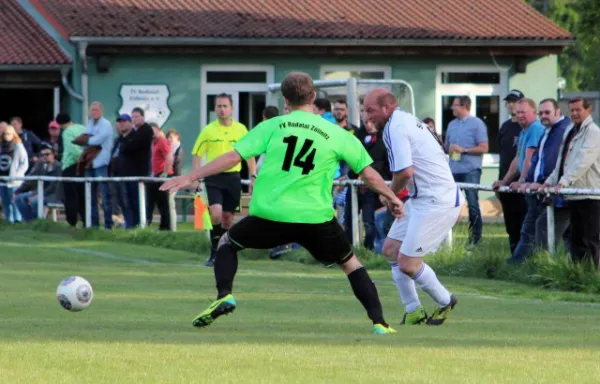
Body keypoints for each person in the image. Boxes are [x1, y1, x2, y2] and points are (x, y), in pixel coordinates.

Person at [161, 72, 403, 335]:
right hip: (315, 217)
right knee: (351, 265)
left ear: (285, 100)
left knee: (226, 243)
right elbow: (368, 174)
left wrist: (190, 175)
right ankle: (380, 322)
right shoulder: (338, 133)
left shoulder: (272, 126)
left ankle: (224, 294)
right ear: (313, 97)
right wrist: (392, 198)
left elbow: (233, 157)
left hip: (271, 214)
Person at [363, 88, 464, 326]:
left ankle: (445, 300)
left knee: (408, 264)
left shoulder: (395, 128)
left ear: (387, 108)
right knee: (390, 250)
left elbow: (405, 171)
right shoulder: (403, 120)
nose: (367, 117)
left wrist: (389, 196)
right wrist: (396, 198)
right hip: (422, 199)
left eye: (370, 110)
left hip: (438, 201)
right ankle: (414, 311)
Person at [191, 93, 257, 267]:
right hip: (213, 178)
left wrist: (253, 176)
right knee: (216, 214)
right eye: (218, 106)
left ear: (232, 108)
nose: (221, 109)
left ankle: (225, 249)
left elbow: (249, 155)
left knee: (228, 218)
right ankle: (214, 252)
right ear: (215, 109)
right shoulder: (208, 130)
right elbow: (197, 154)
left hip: (233, 178)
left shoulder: (241, 129)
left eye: (225, 106)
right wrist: (195, 176)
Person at [0, 125, 28, 223]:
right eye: (5, 134)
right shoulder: (1, 146)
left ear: (13, 135)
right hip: (2, 180)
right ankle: (9, 221)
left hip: (14, 181)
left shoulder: (19, 147)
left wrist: (17, 175)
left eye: (8, 134)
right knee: (5, 203)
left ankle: (18, 221)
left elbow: (24, 164)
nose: (6, 136)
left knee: (14, 202)